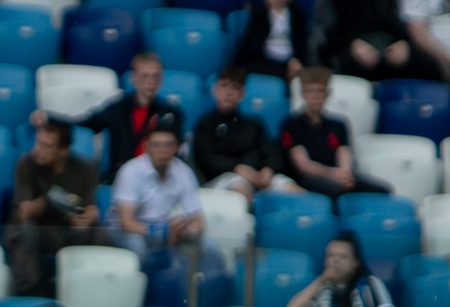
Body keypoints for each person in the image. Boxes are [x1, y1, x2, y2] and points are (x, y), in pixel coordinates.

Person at [7, 114, 99, 296]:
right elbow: (25, 212)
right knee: (26, 230)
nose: (37, 150)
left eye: (46, 146)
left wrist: (88, 216)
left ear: (63, 150)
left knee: (98, 233)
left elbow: (88, 207)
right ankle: (28, 292)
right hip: (37, 228)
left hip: (66, 229)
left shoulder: (85, 168)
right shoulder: (26, 163)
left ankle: (83, 291)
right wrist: (50, 201)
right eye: (37, 143)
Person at [281, 68, 388, 200]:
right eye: (310, 92)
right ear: (303, 94)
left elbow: (343, 151)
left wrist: (345, 173)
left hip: (337, 175)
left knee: (381, 190)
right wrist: (332, 174)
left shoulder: (338, 124)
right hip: (309, 178)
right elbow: (303, 164)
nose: (315, 97)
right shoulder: (292, 124)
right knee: (336, 190)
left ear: (327, 94)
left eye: (319, 92)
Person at [81, 48, 187, 175]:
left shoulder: (172, 113)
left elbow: (177, 151)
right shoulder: (117, 108)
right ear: (133, 77)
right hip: (122, 176)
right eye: (144, 76)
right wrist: (53, 118)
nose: (150, 82)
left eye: (156, 76)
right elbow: (88, 124)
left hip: (160, 178)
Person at [191, 66, 291, 197]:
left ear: (242, 94)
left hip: (258, 176)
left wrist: (268, 169)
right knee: (240, 188)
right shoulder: (205, 123)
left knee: (291, 190)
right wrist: (236, 168)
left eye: (235, 88)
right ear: (215, 90)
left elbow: (271, 152)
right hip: (223, 178)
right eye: (224, 86)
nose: (229, 93)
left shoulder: (254, 124)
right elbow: (206, 158)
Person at [111, 123, 203, 255]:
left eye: (168, 145)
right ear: (146, 147)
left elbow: (198, 220)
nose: (162, 150)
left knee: (207, 246)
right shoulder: (130, 171)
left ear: (176, 147)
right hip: (130, 231)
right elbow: (126, 223)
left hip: (168, 229)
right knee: (137, 245)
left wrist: (186, 231)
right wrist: (162, 233)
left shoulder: (184, 172)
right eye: (157, 145)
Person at [232, 0, 306, 83]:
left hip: (294, 66)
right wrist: (284, 68)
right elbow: (247, 53)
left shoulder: (298, 14)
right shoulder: (258, 15)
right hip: (264, 65)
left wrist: (297, 62)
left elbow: (304, 47)